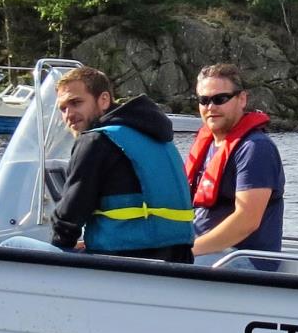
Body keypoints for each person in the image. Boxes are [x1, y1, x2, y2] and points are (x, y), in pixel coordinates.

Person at [50, 66, 194, 263]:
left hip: (122, 263)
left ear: (103, 100)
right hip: (177, 261)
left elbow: (69, 218)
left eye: (76, 103)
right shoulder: (158, 137)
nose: (69, 114)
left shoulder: (95, 141)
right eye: (63, 108)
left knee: (15, 245)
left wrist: (56, 252)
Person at [184, 63, 284, 259]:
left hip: (241, 260)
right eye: (204, 100)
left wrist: (187, 252)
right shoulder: (208, 146)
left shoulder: (255, 149)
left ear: (242, 99)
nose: (211, 107)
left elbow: (246, 221)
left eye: (220, 99)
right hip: (206, 251)